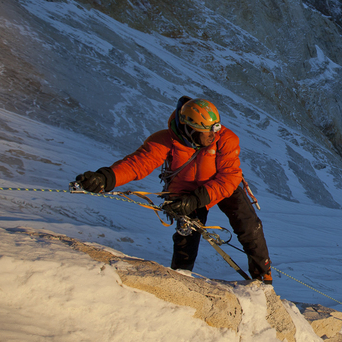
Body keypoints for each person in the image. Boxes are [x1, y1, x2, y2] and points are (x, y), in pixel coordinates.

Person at [75, 96, 272, 282]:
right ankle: (181, 279)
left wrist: (197, 198)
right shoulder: (166, 140)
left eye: (216, 128)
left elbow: (230, 177)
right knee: (185, 242)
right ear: (190, 129)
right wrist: (105, 178)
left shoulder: (225, 139)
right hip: (185, 193)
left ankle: (263, 277)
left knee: (249, 226)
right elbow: (137, 164)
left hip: (220, 186)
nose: (214, 134)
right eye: (208, 131)